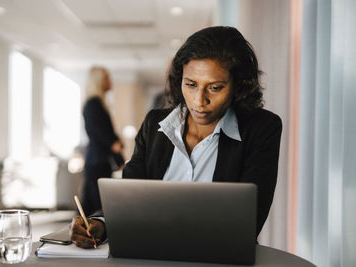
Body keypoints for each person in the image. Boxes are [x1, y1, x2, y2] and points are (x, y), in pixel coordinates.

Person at [70, 26, 282, 248]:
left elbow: (249, 221)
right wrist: (100, 223)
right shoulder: (155, 125)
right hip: (148, 256)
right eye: (191, 85)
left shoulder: (262, 129)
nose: (199, 101)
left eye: (215, 88)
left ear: (238, 86)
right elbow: (129, 197)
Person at [81, 66, 124, 216]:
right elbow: (107, 138)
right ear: (99, 81)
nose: (109, 81)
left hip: (98, 161)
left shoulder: (97, 104)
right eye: (106, 77)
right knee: (97, 208)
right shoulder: (94, 104)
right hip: (96, 162)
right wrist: (121, 161)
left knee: (93, 206)